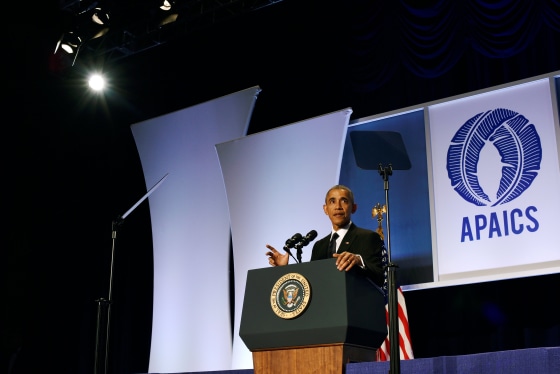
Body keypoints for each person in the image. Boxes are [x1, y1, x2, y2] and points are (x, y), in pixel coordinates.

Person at [265, 184, 386, 287]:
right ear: (325, 209)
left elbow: (380, 278)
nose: (338, 206)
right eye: (332, 201)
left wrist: (359, 261)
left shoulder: (368, 237)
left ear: (353, 208)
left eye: (344, 201)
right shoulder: (319, 246)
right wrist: (283, 269)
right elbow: (311, 284)